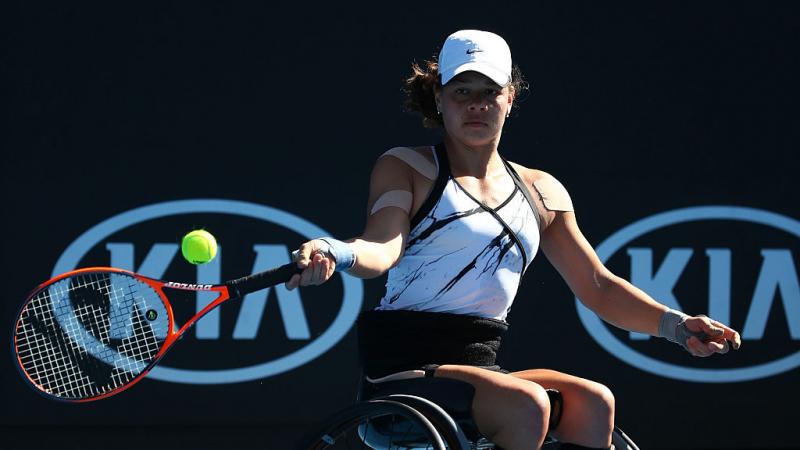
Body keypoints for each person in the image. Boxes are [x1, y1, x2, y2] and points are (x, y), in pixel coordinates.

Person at [286, 29, 741, 450]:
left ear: (510, 98)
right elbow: (382, 246)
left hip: (479, 370)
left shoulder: (542, 192)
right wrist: (336, 251)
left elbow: (597, 286)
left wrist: (677, 327)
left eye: (489, 93)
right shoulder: (407, 167)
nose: (476, 105)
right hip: (400, 375)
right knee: (528, 404)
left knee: (593, 401)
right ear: (439, 98)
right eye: (462, 92)